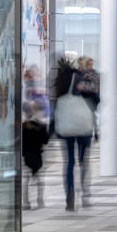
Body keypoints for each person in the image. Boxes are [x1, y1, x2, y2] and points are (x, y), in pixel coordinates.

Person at [51, 55, 100, 211]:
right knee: (83, 162)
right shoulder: (79, 79)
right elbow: (96, 99)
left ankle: (70, 197)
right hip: (83, 125)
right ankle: (85, 194)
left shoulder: (60, 84)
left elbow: (55, 107)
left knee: (70, 163)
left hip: (66, 128)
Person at [21, 66, 50, 209]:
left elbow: (21, 144)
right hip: (38, 156)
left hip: (27, 156)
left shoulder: (24, 126)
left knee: (26, 178)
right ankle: (40, 200)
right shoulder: (41, 126)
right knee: (39, 178)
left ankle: (26, 202)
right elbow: (45, 140)